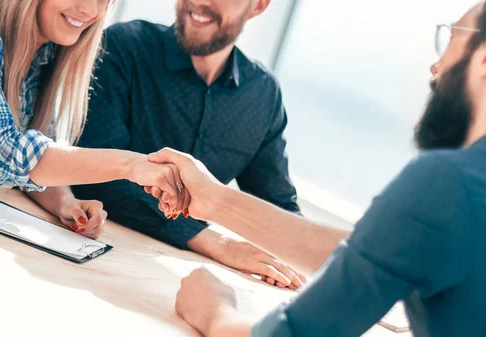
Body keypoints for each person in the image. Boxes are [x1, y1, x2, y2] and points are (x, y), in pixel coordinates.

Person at [146, 2, 486, 336]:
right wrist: (217, 202)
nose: (435, 67)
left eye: (450, 40)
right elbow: (373, 252)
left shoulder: (448, 183)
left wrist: (213, 311)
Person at [0, 0, 187, 239]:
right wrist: (131, 166)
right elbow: (2, 155)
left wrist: (65, 204)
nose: (91, 10)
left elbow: (29, 166)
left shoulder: (47, 54)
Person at [71, 0, 303, 288]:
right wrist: (215, 242)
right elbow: (95, 172)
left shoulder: (263, 95)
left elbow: (277, 205)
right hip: (93, 258)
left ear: (258, 6)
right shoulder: (123, 47)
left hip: (186, 281)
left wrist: (303, 263)